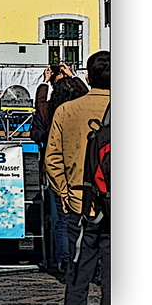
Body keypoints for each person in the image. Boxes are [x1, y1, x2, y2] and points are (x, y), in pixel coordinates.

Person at [45, 51, 111, 305]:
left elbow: (52, 160)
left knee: (78, 272)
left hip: (78, 200)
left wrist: (64, 193)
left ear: (88, 76)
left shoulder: (66, 110)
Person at [30, 63, 90, 280]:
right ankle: (84, 260)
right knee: (86, 216)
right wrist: (72, 77)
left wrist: (44, 82)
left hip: (56, 170)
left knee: (61, 219)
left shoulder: (50, 111)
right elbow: (85, 94)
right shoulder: (79, 109)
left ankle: (64, 262)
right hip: (81, 167)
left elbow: (40, 104)